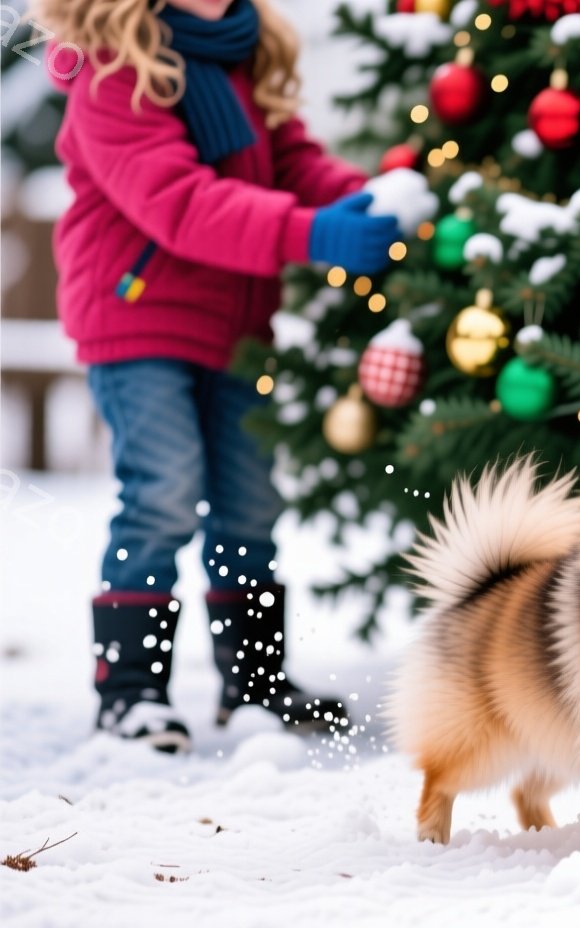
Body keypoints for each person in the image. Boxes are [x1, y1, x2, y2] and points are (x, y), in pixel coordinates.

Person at [35, 0, 400, 752]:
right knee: (162, 493)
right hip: (136, 315)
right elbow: (178, 202)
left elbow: (291, 158)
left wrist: (359, 196)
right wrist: (312, 233)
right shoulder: (112, 65)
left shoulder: (243, 50)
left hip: (237, 322)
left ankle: (256, 683)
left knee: (249, 500)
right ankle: (131, 690)